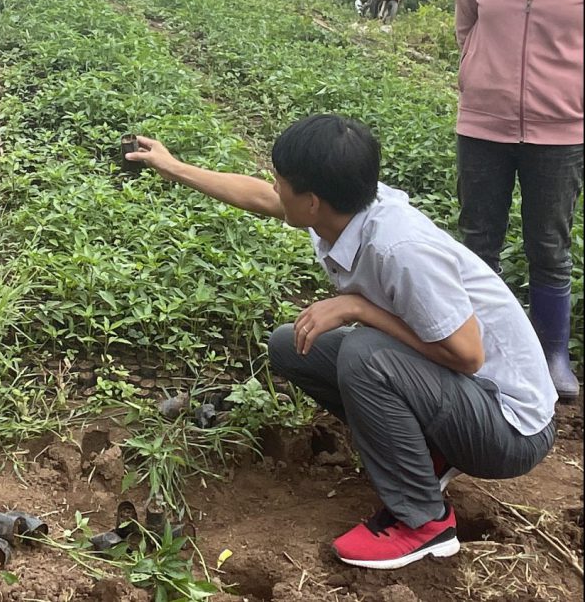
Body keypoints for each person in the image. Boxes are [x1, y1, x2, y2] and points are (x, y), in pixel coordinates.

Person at [127, 115, 556, 570]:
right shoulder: (345, 208)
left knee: (364, 355)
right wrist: (172, 166)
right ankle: (427, 453)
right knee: (293, 345)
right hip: (469, 399)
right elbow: (257, 195)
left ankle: (425, 523)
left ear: (311, 202)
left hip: (511, 428)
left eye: (281, 181)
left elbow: (468, 356)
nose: (274, 187)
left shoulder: (400, 249)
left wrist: (358, 309)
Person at [456, 0, 583, 403]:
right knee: (479, 237)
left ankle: (552, 353)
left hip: (561, 132)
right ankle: (486, 345)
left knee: (548, 245)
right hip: (484, 124)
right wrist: (485, 77)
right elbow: (467, 26)